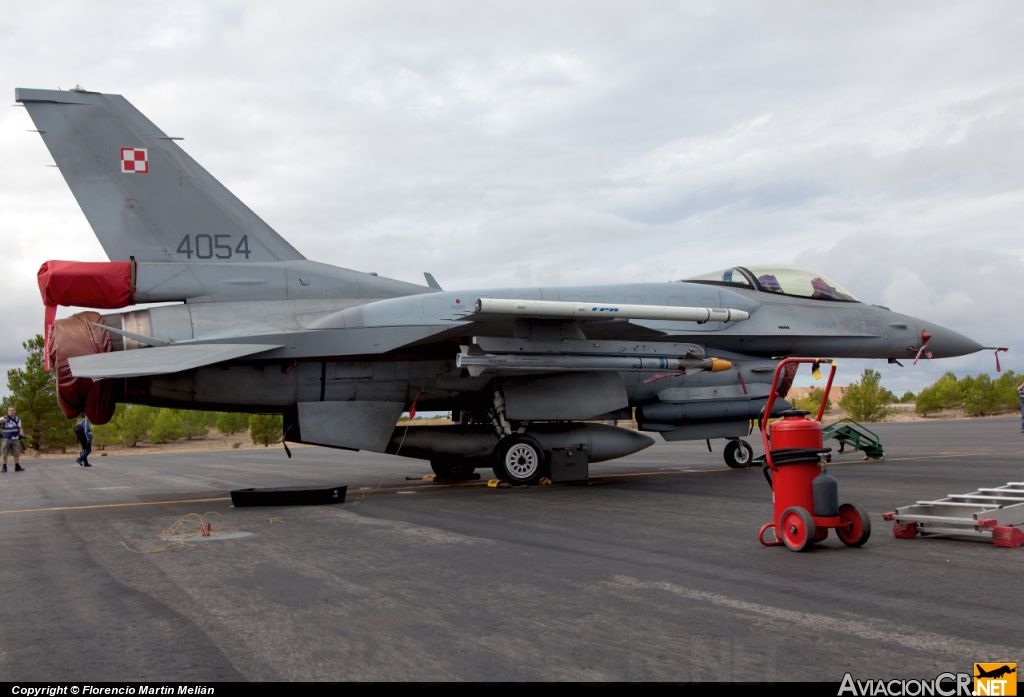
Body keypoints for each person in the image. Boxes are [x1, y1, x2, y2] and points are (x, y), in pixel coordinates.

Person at [1, 406, 25, 473]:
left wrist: (21, 434)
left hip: (15, 438)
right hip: (6, 438)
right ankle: (4, 467)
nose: (11, 411)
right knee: (4, 453)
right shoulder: (4, 418)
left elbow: (20, 428)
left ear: (15, 411)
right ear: (7, 411)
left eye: (12, 410)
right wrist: (2, 420)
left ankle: (17, 466)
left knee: (16, 453)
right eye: (10, 410)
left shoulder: (17, 419)